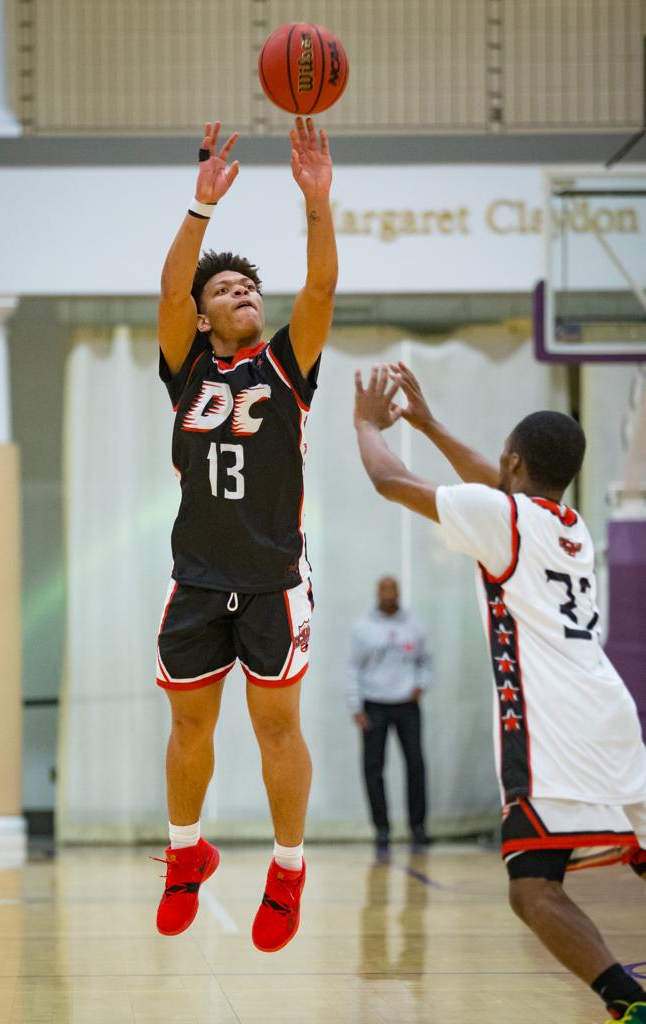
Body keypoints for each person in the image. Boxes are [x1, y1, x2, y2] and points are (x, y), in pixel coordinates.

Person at [352, 361, 646, 1022]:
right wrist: (426, 422)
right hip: (612, 713)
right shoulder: (564, 525)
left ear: (514, 463)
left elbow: (388, 478)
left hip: (554, 728)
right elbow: (494, 485)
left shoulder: (508, 518)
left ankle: (628, 1004)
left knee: (534, 887)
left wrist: (368, 424)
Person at [154, 118, 337, 953]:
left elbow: (320, 294)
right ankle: (187, 854)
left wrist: (317, 205)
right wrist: (201, 207)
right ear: (199, 318)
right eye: (225, 290)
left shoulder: (287, 366)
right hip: (196, 577)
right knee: (189, 729)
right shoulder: (187, 366)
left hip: (271, 580)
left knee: (275, 731)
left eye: (248, 289)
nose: (243, 295)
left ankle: (288, 868)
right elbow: (167, 294)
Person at [347, 575, 432, 860]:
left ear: (398, 593)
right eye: (383, 591)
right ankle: (381, 828)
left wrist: (421, 684)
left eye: (392, 591)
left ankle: (417, 826)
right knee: (373, 768)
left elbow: (426, 661)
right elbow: (353, 668)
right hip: (374, 705)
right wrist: (355, 706)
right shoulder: (363, 628)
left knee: (415, 765)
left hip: (407, 704)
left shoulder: (414, 627)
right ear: (376, 593)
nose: (388, 596)